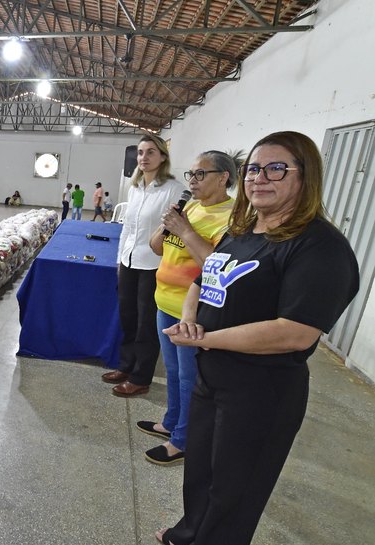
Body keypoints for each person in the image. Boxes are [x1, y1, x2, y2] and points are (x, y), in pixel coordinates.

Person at [154, 132, 359, 545]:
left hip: (261, 391)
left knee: (235, 490)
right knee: (202, 473)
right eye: (252, 169)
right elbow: (205, 276)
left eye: (276, 168)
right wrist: (192, 322)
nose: (259, 178)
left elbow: (294, 333)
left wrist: (207, 339)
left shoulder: (320, 247)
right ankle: (190, 531)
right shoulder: (243, 230)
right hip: (213, 379)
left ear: (306, 177)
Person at [140, 150, 240, 467]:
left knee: (188, 377)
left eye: (200, 174)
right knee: (172, 371)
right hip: (165, 302)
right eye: (191, 175)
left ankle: (182, 440)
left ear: (223, 177)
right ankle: (171, 422)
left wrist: (184, 231)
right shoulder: (191, 207)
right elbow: (157, 248)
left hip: (193, 312)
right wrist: (169, 223)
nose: (193, 181)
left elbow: (215, 267)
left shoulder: (232, 217)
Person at [102, 134, 185, 397]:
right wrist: (119, 260)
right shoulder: (135, 187)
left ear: (163, 156)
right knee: (128, 316)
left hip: (154, 264)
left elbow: (173, 230)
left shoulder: (173, 189)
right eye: (140, 153)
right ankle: (126, 365)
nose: (143, 158)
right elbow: (127, 228)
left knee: (146, 323)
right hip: (129, 260)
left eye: (150, 152)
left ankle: (141, 376)